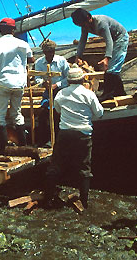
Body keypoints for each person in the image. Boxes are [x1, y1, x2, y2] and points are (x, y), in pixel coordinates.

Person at [44, 66, 104, 209]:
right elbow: (99, 113)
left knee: (57, 164)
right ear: (83, 79)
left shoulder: (61, 94)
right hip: (83, 134)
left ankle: (48, 196)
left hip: (65, 133)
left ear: (68, 81)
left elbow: (57, 109)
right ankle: (84, 200)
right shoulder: (89, 94)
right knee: (84, 166)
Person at [0, 17, 35, 153]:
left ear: (1, 30)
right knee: (16, 113)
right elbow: (31, 59)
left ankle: (2, 147)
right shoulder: (23, 44)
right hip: (19, 83)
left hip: (4, 82)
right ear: (13, 29)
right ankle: (23, 145)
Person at [71, 9, 129, 102]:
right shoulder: (84, 25)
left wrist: (107, 58)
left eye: (84, 24)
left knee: (112, 69)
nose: (84, 26)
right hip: (113, 39)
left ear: (89, 18)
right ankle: (120, 92)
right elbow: (82, 41)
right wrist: (78, 56)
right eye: (81, 25)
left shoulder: (101, 23)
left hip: (120, 38)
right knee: (112, 69)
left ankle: (108, 94)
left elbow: (108, 40)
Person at [34, 39, 70, 146]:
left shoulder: (61, 61)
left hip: (61, 91)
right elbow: (37, 77)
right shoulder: (39, 63)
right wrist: (43, 83)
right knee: (43, 114)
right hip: (47, 92)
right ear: (44, 52)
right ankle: (43, 139)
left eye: (51, 52)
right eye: (47, 52)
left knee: (57, 114)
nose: (49, 54)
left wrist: (57, 85)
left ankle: (56, 139)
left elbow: (68, 78)